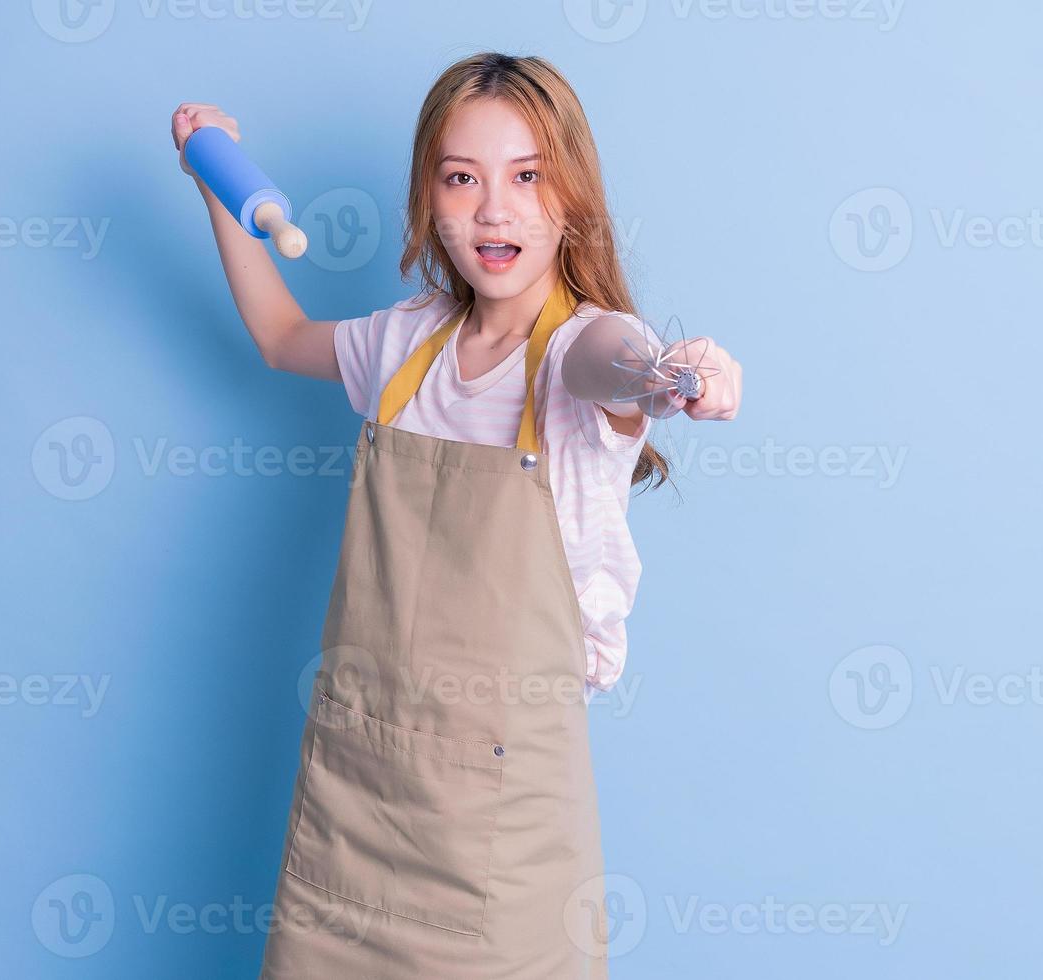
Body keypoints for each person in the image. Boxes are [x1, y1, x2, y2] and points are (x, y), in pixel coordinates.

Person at [172, 51, 741, 978]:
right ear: (427, 197)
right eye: (462, 178)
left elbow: (620, 361)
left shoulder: (576, 356)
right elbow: (279, 338)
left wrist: (678, 378)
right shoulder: (406, 344)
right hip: (356, 802)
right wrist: (215, 183)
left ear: (571, 198)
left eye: (527, 177)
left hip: (501, 832)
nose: (494, 209)